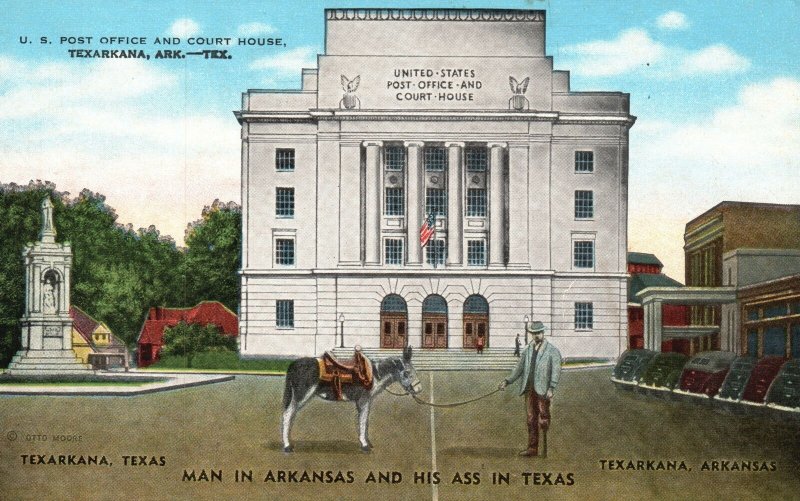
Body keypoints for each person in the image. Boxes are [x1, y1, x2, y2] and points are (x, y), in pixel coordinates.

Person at [499, 321, 562, 457]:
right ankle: (532, 448)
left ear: (543, 333)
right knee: (530, 419)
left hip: (543, 390)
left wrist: (551, 387)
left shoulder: (552, 351)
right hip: (529, 389)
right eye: (534, 333)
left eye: (538, 333)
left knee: (543, 419)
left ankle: (546, 449)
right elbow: (519, 368)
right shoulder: (527, 350)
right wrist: (507, 381)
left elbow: (556, 370)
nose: (536, 335)